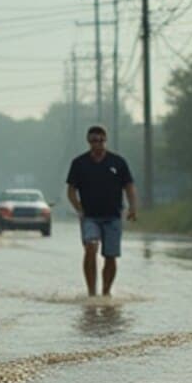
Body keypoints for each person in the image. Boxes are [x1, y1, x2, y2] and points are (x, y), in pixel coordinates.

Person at [65, 125, 138, 296]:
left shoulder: (118, 162)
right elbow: (71, 190)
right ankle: (91, 293)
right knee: (91, 247)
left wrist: (133, 207)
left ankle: (106, 293)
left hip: (113, 216)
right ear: (88, 142)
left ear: (105, 140)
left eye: (100, 140)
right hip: (89, 217)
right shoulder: (79, 163)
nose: (97, 144)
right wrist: (79, 208)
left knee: (110, 256)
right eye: (93, 141)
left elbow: (129, 186)